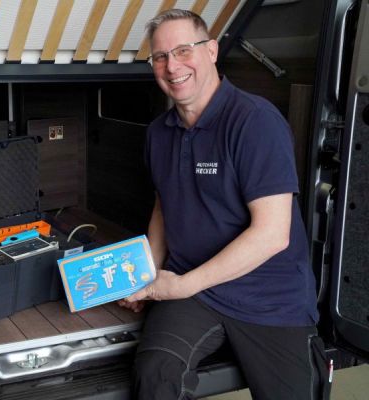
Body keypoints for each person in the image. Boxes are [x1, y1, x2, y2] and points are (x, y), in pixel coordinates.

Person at [117, 9, 329, 400]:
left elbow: (272, 234)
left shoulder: (255, 122)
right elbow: (165, 203)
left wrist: (180, 285)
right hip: (196, 295)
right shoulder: (158, 133)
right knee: (156, 375)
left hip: (268, 298)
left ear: (212, 51)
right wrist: (149, 274)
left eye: (184, 50)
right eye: (160, 57)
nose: (172, 66)